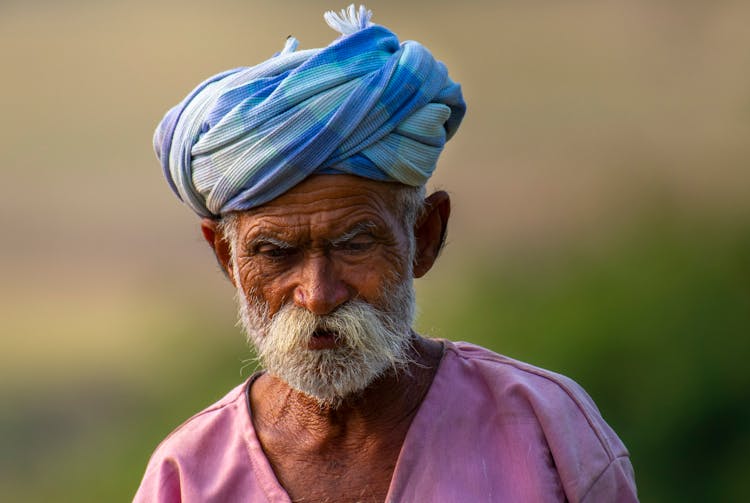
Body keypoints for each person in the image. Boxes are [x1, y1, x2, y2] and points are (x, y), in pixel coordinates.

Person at [134, 5, 638, 502]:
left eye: (355, 244)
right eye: (275, 253)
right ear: (227, 258)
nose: (318, 295)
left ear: (424, 236)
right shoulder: (187, 478)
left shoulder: (545, 428)